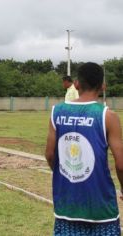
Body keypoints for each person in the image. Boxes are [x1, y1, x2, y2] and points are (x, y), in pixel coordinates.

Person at [45, 62, 123, 235]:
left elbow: (50, 155)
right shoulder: (108, 116)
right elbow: (121, 164)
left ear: (77, 84)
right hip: (101, 206)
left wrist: (66, 174)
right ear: (103, 86)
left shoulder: (56, 112)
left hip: (67, 203)